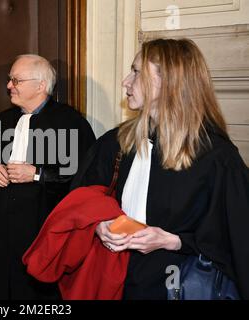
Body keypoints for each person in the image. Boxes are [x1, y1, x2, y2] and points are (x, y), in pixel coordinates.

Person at [71, 38, 249, 299]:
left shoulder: (217, 158)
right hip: (115, 281)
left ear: (167, 83)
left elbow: (236, 239)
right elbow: (83, 195)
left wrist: (173, 241)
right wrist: (99, 225)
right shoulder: (118, 142)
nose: (125, 81)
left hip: (175, 286)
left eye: (136, 72)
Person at [0, 54, 95, 299]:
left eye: (16, 80)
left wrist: (37, 174)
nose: (9, 85)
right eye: (10, 80)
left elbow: (84, 178)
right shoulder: (4, 119)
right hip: (4, 223)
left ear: (41, 85)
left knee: (37, 290)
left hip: (42, 222)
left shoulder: (70, 122)